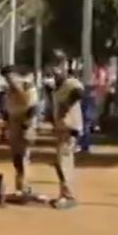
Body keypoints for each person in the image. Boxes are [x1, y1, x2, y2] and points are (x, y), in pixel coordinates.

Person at [1, 66, 42, 201]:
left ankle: (23, 187)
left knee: (23, 156)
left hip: (25, 123)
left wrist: (27, 123)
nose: (8, 80)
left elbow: (35, 107)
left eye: (10, 77)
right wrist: (5, 127)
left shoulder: (27, 86)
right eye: (6, 78)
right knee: (16, 157)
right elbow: (8, 110)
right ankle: (20, 187)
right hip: (14, 124)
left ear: (16, 75)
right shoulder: (10, 90)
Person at [48, 66, 85, 209]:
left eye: (59, 71)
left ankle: (68, 196)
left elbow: (79, 93)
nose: (56, 74)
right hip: (61, 129)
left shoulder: (71, 83)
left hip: (70, 128)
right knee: (59, 162)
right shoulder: (56, 88)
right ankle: (63, 193)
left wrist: (66, 104)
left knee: (64, 162)